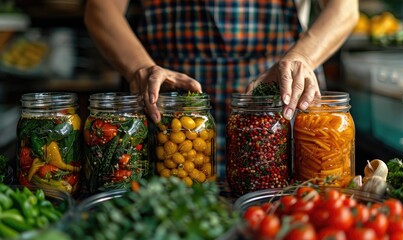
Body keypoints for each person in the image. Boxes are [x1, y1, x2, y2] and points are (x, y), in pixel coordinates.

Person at [84, 0, 359, 177]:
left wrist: (304, 58)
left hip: (278, 98)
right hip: (168, 105)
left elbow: (345, 8)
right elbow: (100, 8)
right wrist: (139, 69)